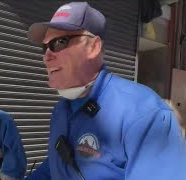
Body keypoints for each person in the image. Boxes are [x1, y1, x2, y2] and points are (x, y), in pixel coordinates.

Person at [25, 2, 186, 180]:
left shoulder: (146, 115)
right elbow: (56, 165)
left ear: (93, 47)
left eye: (59, 43)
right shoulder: (61, 110)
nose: (46, 56)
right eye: (44, 47)